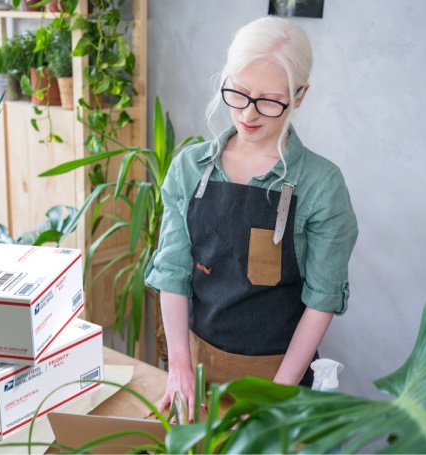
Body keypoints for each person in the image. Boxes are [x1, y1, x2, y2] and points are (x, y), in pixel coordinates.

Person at [144, 16, 358, 417]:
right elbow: (172, 272)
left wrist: (276, 395)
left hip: (279, 377)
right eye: (238, 93)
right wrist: (179, 369)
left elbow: (322, 299)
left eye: (270, 100)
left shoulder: (321, 185)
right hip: (197, 371)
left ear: (300, 96)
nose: (249, 113)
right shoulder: (189, 169)